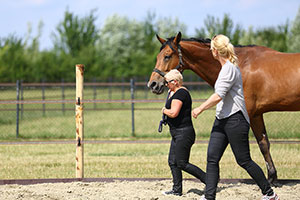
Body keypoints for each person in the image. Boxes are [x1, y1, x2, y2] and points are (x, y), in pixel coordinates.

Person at [192, 34, 279, 200]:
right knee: (212, 157)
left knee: (244, 160)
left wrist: (200, 108)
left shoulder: (229, 69)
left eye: (211, 48)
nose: (211, 51)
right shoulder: (225, 68)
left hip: (235, 120)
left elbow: (218, 95)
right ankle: (209, 196)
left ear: (215, 51)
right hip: (221, 119)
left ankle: (269, 193)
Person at [161, 69, 206, 196]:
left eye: (167, 83)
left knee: (182, 163)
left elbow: (174, 113)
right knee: (172, 161)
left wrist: (164, 110)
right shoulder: (174, 91)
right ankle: (176, 190)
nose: (166, 85)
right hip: (177, 133)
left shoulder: (181, 93)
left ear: (175, 82)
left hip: (184, 133)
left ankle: (209, 180)